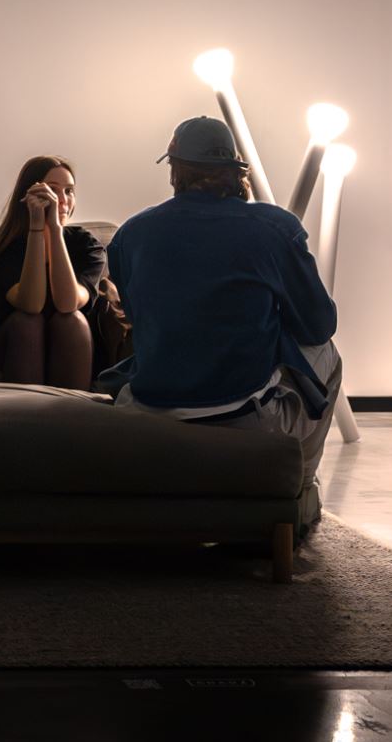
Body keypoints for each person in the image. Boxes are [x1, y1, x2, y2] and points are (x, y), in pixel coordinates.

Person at [105, 116, 341, 530]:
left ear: (175, 170)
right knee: (328, 355)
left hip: (149, 410)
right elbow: (319, 326)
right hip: (241, 416)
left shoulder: (131, 234)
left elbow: (139, 319)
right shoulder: (274, 227)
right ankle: (298, 491)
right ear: (236, 170)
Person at [0, 157, 106, 388]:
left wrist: (55, 230)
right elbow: (31, 305)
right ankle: (26, 409)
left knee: (72, 320)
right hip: (9, 344)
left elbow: (67, 303)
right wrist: (37, 227)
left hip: (70, 343)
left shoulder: (86, 245)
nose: (62, 200)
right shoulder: (3, 248)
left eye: (69, 191)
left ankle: (70, 408)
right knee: (27, 322)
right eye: (52, 190)